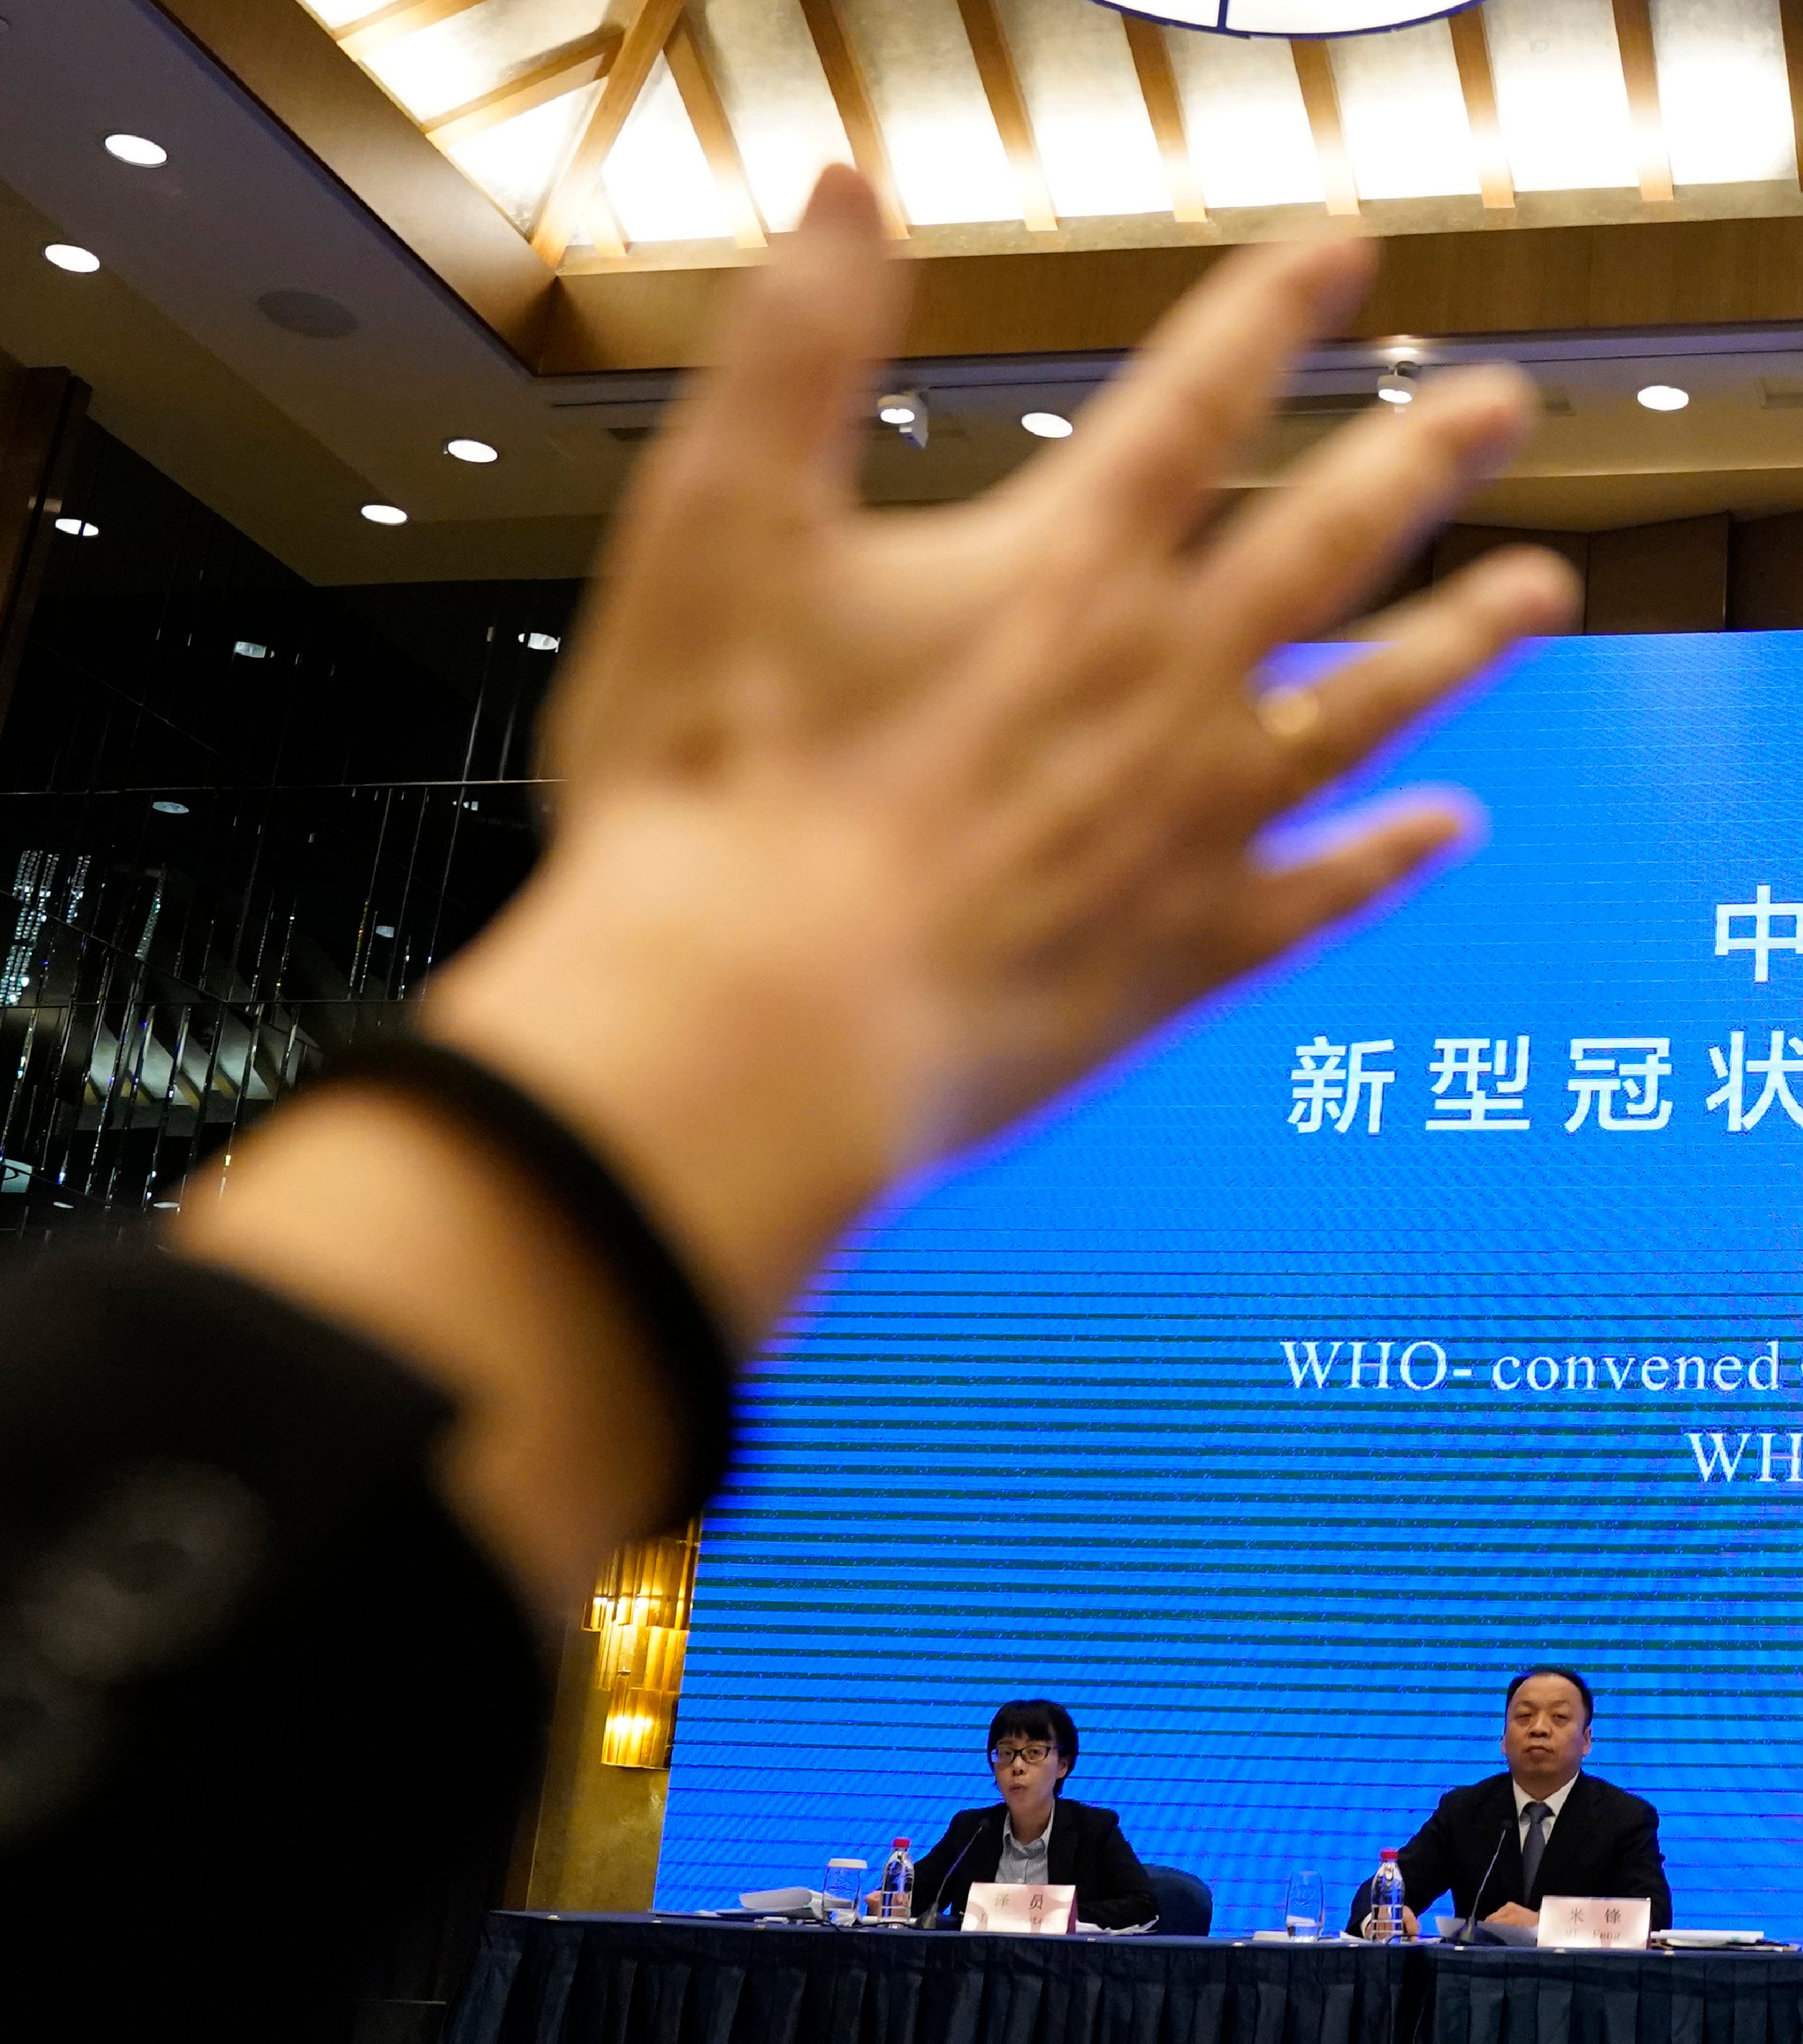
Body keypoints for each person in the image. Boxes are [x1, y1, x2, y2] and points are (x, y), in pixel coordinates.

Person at [0, 172, 1574, 2037]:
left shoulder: (1177, 1837)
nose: (1023, 1772)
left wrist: (648, 1044)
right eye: (1017, 1753)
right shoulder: (970, 1833)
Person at [1354, 1668, 1673, 1935]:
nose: (1538, 1729)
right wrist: (1380, 1920)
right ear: (1504, 1741)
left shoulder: (1625, 1817)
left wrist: (1547, 1926)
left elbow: (1650, 1919)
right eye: (1524, 1716)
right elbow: (1385, 1890)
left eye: (1559, 1717)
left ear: (1587, 1741)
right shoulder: (1465, 1810)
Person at [914, 1699, 1160, 1930]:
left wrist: (1054, 1914)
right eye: (1006, 1752)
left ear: (1063, 1764)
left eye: (1034, 1752)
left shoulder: (1094, 1829)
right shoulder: (971, 1829)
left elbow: (1144, 1905)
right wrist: (889, 1897)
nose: (1017, 1766)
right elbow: (916, 1897)